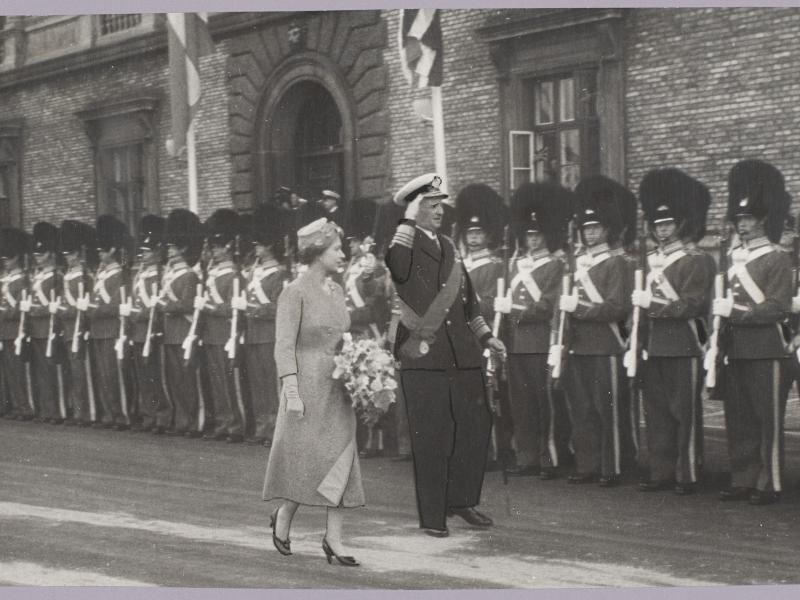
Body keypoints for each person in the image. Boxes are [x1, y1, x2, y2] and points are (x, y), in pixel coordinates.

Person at [385, 173, 506, 538]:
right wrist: (406, 222)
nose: (440, 211)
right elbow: (397, 266)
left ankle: (461, 499)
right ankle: (433, 514)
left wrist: (487, 338)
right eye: (432, 205)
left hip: (462, 353)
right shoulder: (404, 247)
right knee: (431, 437)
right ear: (416, 209)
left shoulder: (451, 247)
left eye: (441, 205)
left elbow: (468, 302)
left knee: (474, 426)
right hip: (424, 356)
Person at [263, 217, 363, 567]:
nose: (342, 255)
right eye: (336, 249)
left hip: (338, 383)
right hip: (305, 383)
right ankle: (284, 515)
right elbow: (283, 345)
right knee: (306, 459)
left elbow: (345, 334)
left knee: (340, 456)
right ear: (318, 253)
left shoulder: (337, 290)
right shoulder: (294, 292)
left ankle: (333, 539)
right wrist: (290, 389)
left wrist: (360, 364)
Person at [713, 159, 792, 505]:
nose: (742, 226)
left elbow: (777, 306)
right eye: (739, 220)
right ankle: (743, 478)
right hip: (736, 348)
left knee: (765, 418)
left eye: (747, 220)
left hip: (766, 348)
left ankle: (768, 481)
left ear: (762, 220)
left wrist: (738, 313)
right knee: (739, 418)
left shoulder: (777, 258)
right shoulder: (731, 259)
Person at [633, 169, 713, 495]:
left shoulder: (695, 260)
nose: (662, 230)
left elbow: (692, 304)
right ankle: (661, 470)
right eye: (658, 225)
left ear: (679, 225)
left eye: (667, 224)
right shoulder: (648, 260)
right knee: (657, 413)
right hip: (653, 345)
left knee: (685, 413)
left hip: (683, 343)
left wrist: (651, 304)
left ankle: (687, 472)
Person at [557, 175, 633, 487]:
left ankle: (611, 466)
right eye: (586, 229)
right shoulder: (576, 264)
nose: (590, 234)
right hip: (578, 346)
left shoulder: (617, 264)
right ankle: (587, 464)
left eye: (595, 228)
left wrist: (580, 310)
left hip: (606, 344)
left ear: (606, 230)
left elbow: (616, 307)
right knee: (583, 410)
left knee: (608, 410)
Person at [497, 182, 573, 479]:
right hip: (517, 344)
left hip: (541, 341)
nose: (532, 241)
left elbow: (547, 305)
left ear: (547, 236)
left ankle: (549, 457)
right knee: (522, 405)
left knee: (545, 405)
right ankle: (527, 456)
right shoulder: (515, 266)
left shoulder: (554, 266)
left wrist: (517, 311)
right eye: (529, 235)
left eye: (537, 235)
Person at [454, 183, 513, 472]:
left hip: (482, 337)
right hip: (461, 339)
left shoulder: (494, 266)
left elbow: (488, 304)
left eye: (478, 234)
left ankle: (493, 450)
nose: (474, 238)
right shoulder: (458, 266)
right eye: (470, 234)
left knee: (488, 397)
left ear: (487, 235)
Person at [240, 203, 288, 447]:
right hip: (252, 334)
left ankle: (276, 430)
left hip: (269, 333)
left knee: (271, 385)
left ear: (269, 246)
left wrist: (257, 311)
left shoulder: (279, 273)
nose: (256, 248)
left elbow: (279, 306)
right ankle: (262, 427)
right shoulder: (252, 273)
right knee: (258, 384)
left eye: (259, 244)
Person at [199, 209, 247, 444]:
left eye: (218, 247)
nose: (214, 252)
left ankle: (236, 424)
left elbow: (232, 309)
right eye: (213, 247)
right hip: (211, 335)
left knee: (229, 382)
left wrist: (209, 308)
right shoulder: (212, 273)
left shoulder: (234, 275)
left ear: (228, 246)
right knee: (217, 382)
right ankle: (223, 421)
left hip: (225, 334)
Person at [160, 209, 203, 437]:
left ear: (183, 248)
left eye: (173, 246)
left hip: (185, 333)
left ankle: (193, 421)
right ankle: (181, 420)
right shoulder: (169, 275)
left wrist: (165, 305)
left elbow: (186, 304)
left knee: (187, 381)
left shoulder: (189, 276)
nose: (168, 250)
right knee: (175, 380)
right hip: (170, 334)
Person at [128, 215, 170, 433]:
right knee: (143, 378)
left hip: (151, 332)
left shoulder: (160, 275)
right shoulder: (140, 276)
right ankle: (148, 415)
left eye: (146, 252)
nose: (143, 256)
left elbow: (156, 305)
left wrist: (138, 314)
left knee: (155, 377)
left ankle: (161, 416)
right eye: (142, 252)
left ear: (156, 253)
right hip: (137, 332)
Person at [88, 215, 129, 430]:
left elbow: (116, 306)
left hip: (111, 329)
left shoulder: (118, 275)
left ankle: (119, 415)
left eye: (103, 250)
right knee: (103, 375)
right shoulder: (101, 274)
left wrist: (95, 310)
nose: (100, 253)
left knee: (113, 375)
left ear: (112, 250)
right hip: (97, 330)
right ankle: (108, 413)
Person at [58, 220, 97, 427]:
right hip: (68, 329)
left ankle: (86, 412)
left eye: (71, 254)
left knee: (82, 372)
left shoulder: (84, 275)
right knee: (73, 372)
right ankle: (78, 409)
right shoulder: (68, 275)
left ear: (79, 253)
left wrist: (66, 311)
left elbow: (85, 304)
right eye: (66, 254)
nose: (68, 257)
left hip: (79, 329)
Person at [28, 221, 66, 424]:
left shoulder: (56, 276)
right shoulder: (37, 276)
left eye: (41, 255)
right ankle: (45, 408)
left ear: (51, 254)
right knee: (40, 372)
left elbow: (57, 303)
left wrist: (38, 310)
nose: (38, 259)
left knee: (50, 371)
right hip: (35, 329)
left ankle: (55, 410)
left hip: (49, 328)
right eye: (36, 255)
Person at [0, 227, 34, 421]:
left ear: (17, 258)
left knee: (17, 371)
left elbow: (20, 306)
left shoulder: (23, 280)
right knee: (7, 372)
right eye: (5, 258)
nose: (6, 261)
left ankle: (24, 407)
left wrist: (6, 313)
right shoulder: (4, 279)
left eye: (10, 258)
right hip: (3, 330)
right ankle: (11, 404)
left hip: (15, 330)